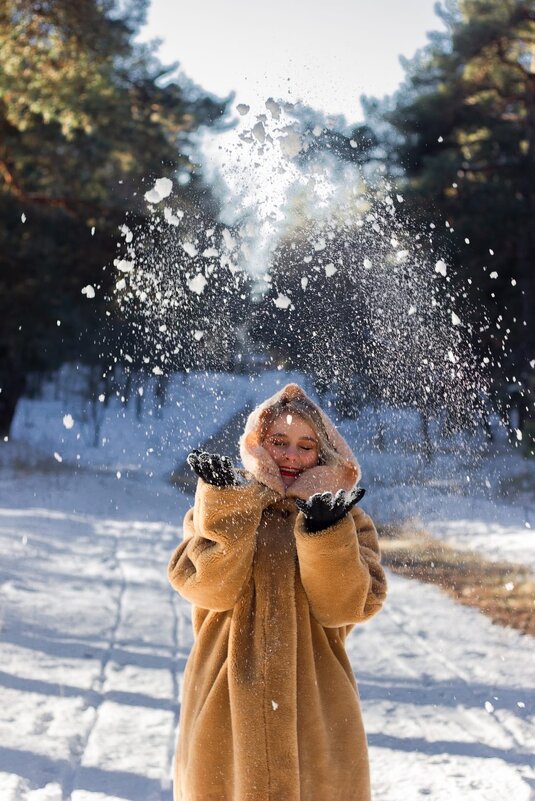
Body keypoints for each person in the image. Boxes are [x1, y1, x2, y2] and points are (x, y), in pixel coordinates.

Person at [167, 382, 387, 801]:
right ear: (258, 442)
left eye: (306, 445)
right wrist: (227, 508)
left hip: (316, 704)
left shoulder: (348, 519)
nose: (291, 455)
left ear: (323, 453)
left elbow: (345, 606)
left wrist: (325, 533)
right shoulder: (223, 503)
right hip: (225, 700)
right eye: (279, 441)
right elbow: (208, 589)